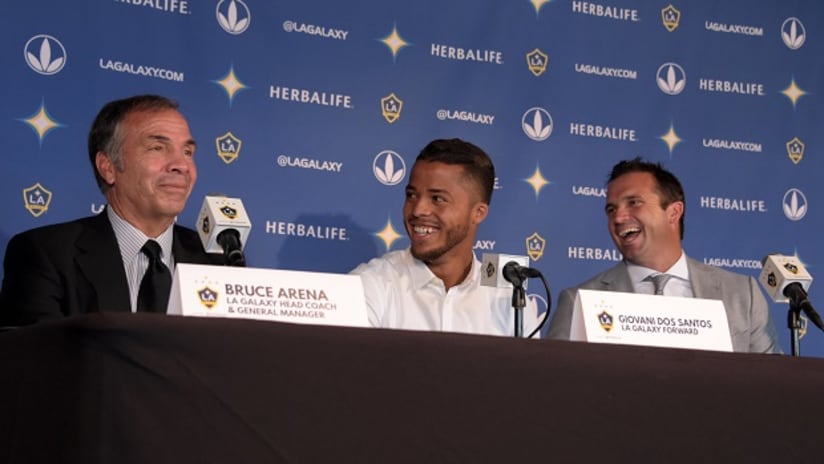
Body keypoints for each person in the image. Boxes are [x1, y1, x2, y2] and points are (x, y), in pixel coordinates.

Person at [0, 94, 221, 326]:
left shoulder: (217, 262)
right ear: (108, 167)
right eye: (158, 148)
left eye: (187, 152)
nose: (182, 165)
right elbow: (35, 357)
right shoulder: (47, 255)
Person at [546, 157, 781, 353]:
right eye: (611, 209)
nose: (618, 218)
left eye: (634, 202)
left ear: (673, 212)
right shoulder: (579, 301)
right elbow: (556, 386)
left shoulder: (742, 294)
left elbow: (772, 386)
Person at [351, 138, 540, 337]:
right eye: (412, 195)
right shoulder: (370, 284)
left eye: (438, 199)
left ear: (478, 213)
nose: (418, 210)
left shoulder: (509, 297)